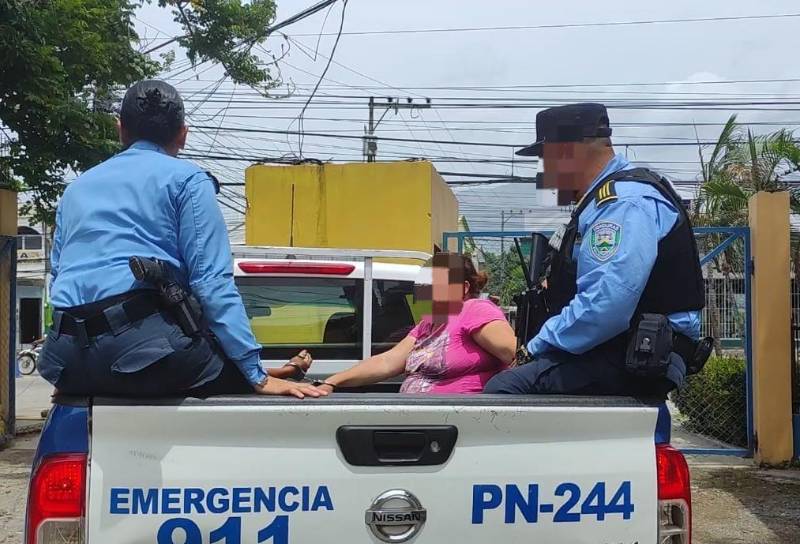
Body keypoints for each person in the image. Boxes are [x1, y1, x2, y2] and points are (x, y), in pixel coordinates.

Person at [38, 79, 324, 399]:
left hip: (63, 360)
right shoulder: (187, 181)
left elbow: (59, 275)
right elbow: (211, 282)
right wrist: (255, 375)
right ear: (183, 135)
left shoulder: (75, 189)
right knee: (234, 377)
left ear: (120, 129)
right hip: (142, 354)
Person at [484, 103, 705, 443]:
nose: (545, 172)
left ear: (568, 151)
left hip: (627, 356)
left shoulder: (621, 204)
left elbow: (606, 305)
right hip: (626, 354)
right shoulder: (606, 201)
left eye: (546, 159)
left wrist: (534, 347)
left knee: (504, 388)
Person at [316, 253, 516, 394]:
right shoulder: (428, 324)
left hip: (460, 427)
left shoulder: (475, 309)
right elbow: (387, 361)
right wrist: (331, 382)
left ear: (463, 288)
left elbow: (514, 354)